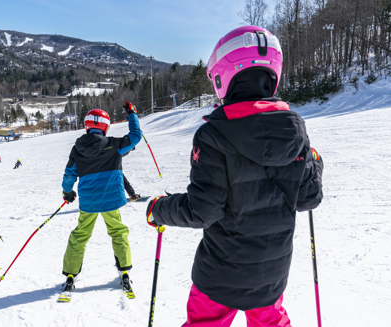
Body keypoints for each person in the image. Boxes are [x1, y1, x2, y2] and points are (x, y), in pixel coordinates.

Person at [145, 26, 324, 327]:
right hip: (271, 275)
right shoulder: (296, 132)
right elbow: (309, 197)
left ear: (222, 77)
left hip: (220, 276)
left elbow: (203, 210)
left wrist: (158, 209)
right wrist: (314, 162)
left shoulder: (214, 134)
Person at [59, 102, 142, 295]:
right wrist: (132, 114)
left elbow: (69, 173)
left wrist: (67, 192)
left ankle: (71, 273)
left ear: (87, 126)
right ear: (105, 126)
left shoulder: (77, 148)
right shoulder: (114, 145)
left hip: (89, 202)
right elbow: (136, 136)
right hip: (111, 200)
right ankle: (124, 271)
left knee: (80, 235)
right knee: (118, 232)